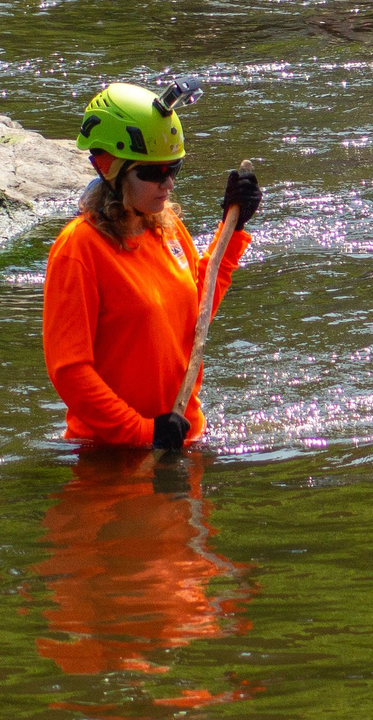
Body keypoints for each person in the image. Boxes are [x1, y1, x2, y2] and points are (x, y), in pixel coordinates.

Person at [41, 81, 262, 452]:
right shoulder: (79, 249)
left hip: (181, 443)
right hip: (111, 459)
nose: (168, 183)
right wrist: (144, 432)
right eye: (154, 173)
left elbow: (198, 311)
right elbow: (70, 372)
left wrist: (233, 228)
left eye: (173, 168)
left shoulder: (166, 226)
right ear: (110, 168)